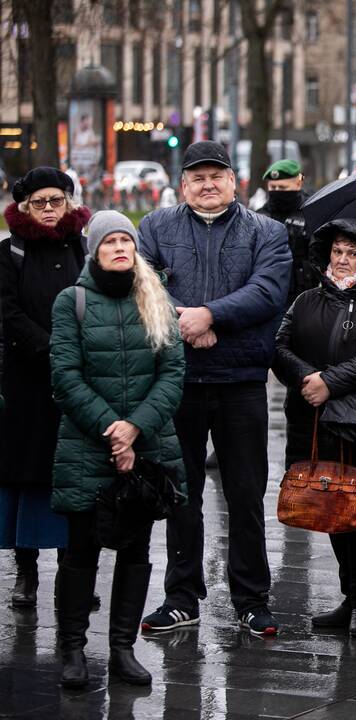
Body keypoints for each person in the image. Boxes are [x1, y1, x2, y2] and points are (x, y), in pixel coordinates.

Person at [137, 141, 291, 636]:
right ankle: (182, 596)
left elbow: (267, 291)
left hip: (240, 381)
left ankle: (251, 598)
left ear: (233, 181)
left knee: (246, 494)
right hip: (176, 381)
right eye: (197, 177)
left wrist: (211, 316)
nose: (207, 184)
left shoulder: (267, 232)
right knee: (182, 492)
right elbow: (146, 283)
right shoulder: (155, 227)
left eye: (216, 175)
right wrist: (186, 320)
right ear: (183, 185)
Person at [49, 211, 185, 688]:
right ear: (95, 251)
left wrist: (135, 430)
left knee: (136, 549)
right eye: (110, 241)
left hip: (148, 447)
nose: (120, 247)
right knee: (80, 550)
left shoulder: (156, 298)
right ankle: (72, 650)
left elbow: (173, 374)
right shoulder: (73, 301)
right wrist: (114, 431)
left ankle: (123, 649)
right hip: (87, 449)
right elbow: (65, 378)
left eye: (127, 239)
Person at [274, 218, 356, 637]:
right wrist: (306, 379)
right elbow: (279, 347)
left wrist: (329, 382)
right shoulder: (306, 300)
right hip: (315, 420)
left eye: (352, 253)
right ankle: (350, 597)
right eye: (337, 252)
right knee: (332, 508)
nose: (344, 260)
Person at [0, 167, 91, 608]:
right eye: (41, 202)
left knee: (75, 475)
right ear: (26, 207)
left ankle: (73, 572)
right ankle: (27, 570)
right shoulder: (10, 251)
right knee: (27, 476)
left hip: (79, 385)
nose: (51, 210)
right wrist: (51, 347)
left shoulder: (84, 248)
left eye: (57, 201)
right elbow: (8, 311)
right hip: (27, 385)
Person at [257, 159, 312, 303]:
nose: (277, 192)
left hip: (303, 294)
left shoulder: (312, 213)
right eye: (273, 187)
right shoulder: (260, 216)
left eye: (282, 187)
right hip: (268, 292)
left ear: (298, 184)